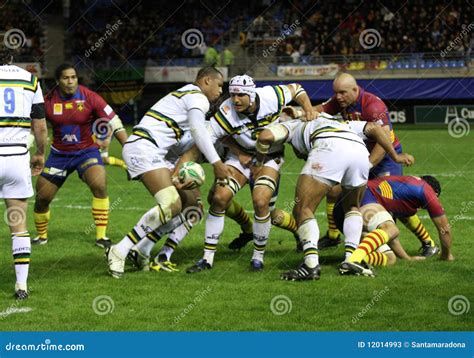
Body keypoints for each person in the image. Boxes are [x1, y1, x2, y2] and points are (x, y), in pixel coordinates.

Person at [253, 113, 414, 281]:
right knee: (352, 207)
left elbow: (265, 136)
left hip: (328, 147)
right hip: (359, 152)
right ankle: (352, 260)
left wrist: (258, 164)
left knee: (303, 208)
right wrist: (395, 156)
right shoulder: (342, 123)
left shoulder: (291, 125)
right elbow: (375, 128)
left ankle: (310, 265)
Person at [107, 65, 229, 279]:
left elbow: (179, 141)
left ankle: (142, 249)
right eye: (219, 85)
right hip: (144, 147)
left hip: (156, 151)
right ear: (206, 81)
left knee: (193, 208)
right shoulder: (197, 97)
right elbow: (198, 131)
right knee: (171, 203)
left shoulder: (184, 98)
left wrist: (176, 173)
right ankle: (120, 249)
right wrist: (217, 163)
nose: (220, 91)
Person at [186, 74, 317, 273]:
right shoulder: (227, 110)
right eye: (232, 95)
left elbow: (297, 88)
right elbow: (209, 136)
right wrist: (222, 160)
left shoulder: (271, 96)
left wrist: (309, 109)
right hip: (240, 158)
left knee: (261, 203)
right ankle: (207, 258)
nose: (235, 99)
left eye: (240, 95)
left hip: (270, 157)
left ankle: (258, 257)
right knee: (219, 198)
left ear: (251, 94)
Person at [313, 73, 428, 253]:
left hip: (386, 157)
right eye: (336, 93)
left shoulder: (373, 106)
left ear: (355, 89)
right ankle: (333, 236)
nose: (338, 97)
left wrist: (365, 168)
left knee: (392, 201)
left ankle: (427, 242)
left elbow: (383, 144)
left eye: (342, 93)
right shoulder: (340, 100)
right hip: (361, 155)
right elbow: (318, 110)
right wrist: (298, 112)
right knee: (334, 191)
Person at [33, 63, 127, 248]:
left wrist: (129, 146)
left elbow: (113, 120)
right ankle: (41, 236)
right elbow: (36, 125)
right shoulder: (47, 101)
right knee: (42, 197)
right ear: (58, 81)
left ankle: (101, 237)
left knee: (99, 185)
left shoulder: (89, 97)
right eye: (66, 78)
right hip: (59, 155)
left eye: (73, 77)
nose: (70, 81)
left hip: (86, 153)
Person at [0, 47, 48, 299]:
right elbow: (39, 126)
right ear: (10, 58)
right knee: (18, 225)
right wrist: (39, 153)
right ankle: (21, 285)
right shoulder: (30, 79)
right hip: (17, 158)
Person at [336, 175, 454, 276]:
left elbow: (389, 236)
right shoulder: (426, 190)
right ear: (435, 193)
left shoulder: (405, 193)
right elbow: (445, 229)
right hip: (359, 200)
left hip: (343, 212)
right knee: (390, 228)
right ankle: (353, 259)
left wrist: (407, 258)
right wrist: (446, 255)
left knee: (390, 258)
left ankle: (356, 261)